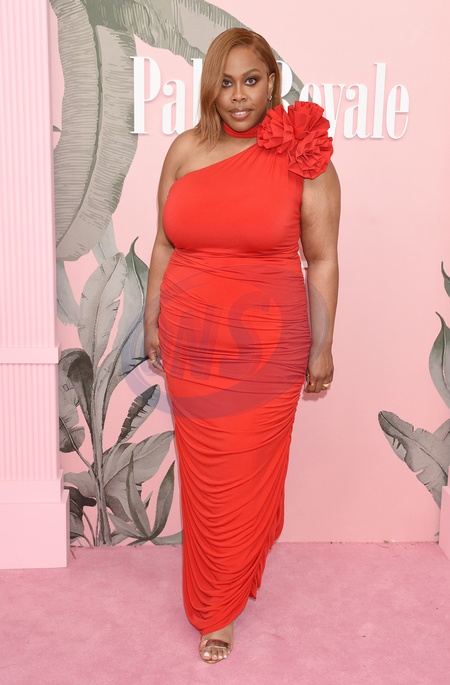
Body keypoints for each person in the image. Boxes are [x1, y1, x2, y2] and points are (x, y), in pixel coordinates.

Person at [144, 27, 340, 664]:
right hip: (190, 346)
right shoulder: (184, 150)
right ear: (210, 86)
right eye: (225, 82)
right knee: (206, 482)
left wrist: (322, 347)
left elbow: (323, 258)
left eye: (251, 81)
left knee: (243, 481)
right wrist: (150, 317)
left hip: (266, 351)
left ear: (272, 83)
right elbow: (164, 243)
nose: (237, 96)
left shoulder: (305, 157)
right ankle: (215, 599)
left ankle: (218, 610)